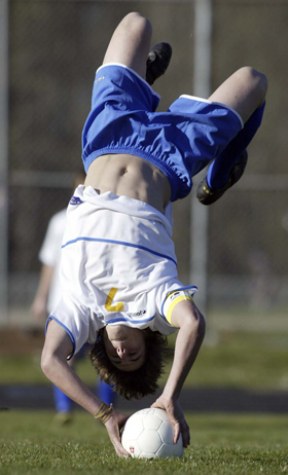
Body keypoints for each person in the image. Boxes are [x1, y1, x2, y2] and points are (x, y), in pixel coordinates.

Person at [40, 12, 267, 456]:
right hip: (172, 154)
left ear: (104, 347)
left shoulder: (81, 310)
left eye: (119, 358)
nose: (126, 354)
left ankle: (143, 81)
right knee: (253, 81)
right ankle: (221, 174)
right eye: (137, 356)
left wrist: (105, 415)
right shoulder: (155, 300)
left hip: (110, 133)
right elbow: (194, 324)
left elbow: (50, 360)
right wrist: (170, 394)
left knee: (135, 23)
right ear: (146, 339)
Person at [32, 173, 115, 423]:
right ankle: (64, 409)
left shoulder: (110, 220)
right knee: (62, 357)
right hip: (67, 303)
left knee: (108, 360)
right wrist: (41, 297)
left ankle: (108, 409)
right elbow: (49, 261)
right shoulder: (60, 221)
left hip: (102, 304)